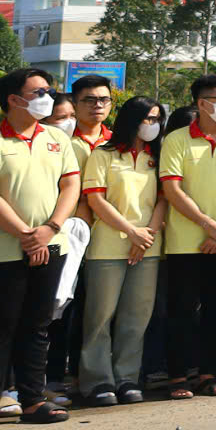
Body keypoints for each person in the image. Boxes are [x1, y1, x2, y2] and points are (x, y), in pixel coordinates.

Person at [0, 67, 81, 429]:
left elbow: (70, 186)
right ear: (14, 100)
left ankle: (31, 400)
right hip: (2, 251)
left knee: (38, 326)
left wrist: (50, 229)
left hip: (51, 245)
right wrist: (27, 235)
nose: (48, 96)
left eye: (49, 90)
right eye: (38, 91)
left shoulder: (57, 139)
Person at [156, 76, 216, 400]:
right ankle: (178, 375)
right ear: (202, 103)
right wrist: (206, 224)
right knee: (182, 311)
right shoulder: (177, 139)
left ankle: (210, 372)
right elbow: (172, 189)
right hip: (186, 241)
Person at [74, 95, 164, 407]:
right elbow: (96, 199)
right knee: (100, 315)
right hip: (109, 245)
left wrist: (147, 235)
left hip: (149, 247)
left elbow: (164, 198)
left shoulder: (157, 155)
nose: (151, 126)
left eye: (156, 120)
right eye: (147, 119)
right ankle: (97, 380)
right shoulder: (104, 154)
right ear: (131, 119)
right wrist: (131, 232)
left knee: (136, 316)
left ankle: (127, 377)